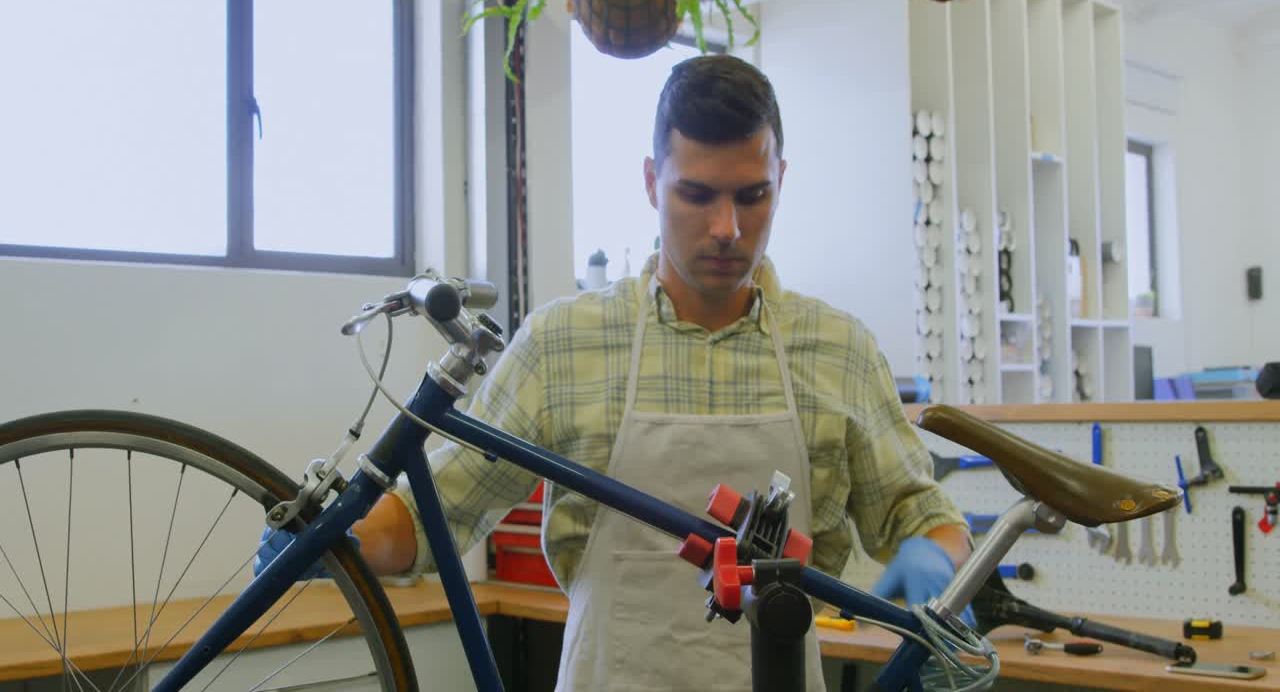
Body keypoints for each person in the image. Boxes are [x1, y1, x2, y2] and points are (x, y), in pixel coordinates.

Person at [257, 54, 971, 691]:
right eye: (697, 194)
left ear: (781, 180)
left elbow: (924, 515)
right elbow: (437, 508)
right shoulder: (564, 343)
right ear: (650, 181)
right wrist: (341, 544)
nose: (727, 227)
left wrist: (937, 560)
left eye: (752, 195)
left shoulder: (839, 349)